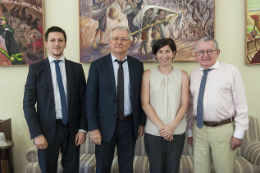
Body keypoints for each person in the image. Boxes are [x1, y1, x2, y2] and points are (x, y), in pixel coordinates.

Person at [23, 26, 88, 173]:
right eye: (52, 40)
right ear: (46, 44)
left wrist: (83, 129)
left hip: (73, 131)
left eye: (60, 40)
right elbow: (28, 104)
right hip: (46, 132)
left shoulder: (76, 69)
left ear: (65, 44)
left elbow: (84, 102)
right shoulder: (36, 69)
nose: (56, 44)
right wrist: (37, 134)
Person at [86, 26, 146, 173]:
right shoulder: (97, 66)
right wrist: (93, 128)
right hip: (104, 126)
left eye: (123, 39)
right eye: (116, 38)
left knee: (127, 168)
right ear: (109, 41)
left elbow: (141, 96)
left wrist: (141, 122)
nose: (119, 42)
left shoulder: (137, 65)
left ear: (129, 42)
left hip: (129, 125)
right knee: (103, 167)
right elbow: (90, 99)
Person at [187, 37, 249, 173]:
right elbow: (190, 107)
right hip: (199, 130)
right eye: (201, 52)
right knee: (199, 170)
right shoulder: (194, 75)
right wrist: (190, 131)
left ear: (218, 52)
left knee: (223, 170)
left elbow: (241, 105)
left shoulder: (231, 71)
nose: (205, 55)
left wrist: (238, 134)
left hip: (223, 130)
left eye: (210, 51)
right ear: (196, 54)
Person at [141, 38, 189, 173]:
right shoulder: (148, 74)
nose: (164, 55)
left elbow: (184, 104)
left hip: (177, 132)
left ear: (174, 53)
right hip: (154, 132)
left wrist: (172, 127)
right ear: (155, 55)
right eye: (160, 51)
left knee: (173, 169)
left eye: (168, 51)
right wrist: (162, 128)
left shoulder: (183, 75)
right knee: (156, 169)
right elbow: (145, 103)